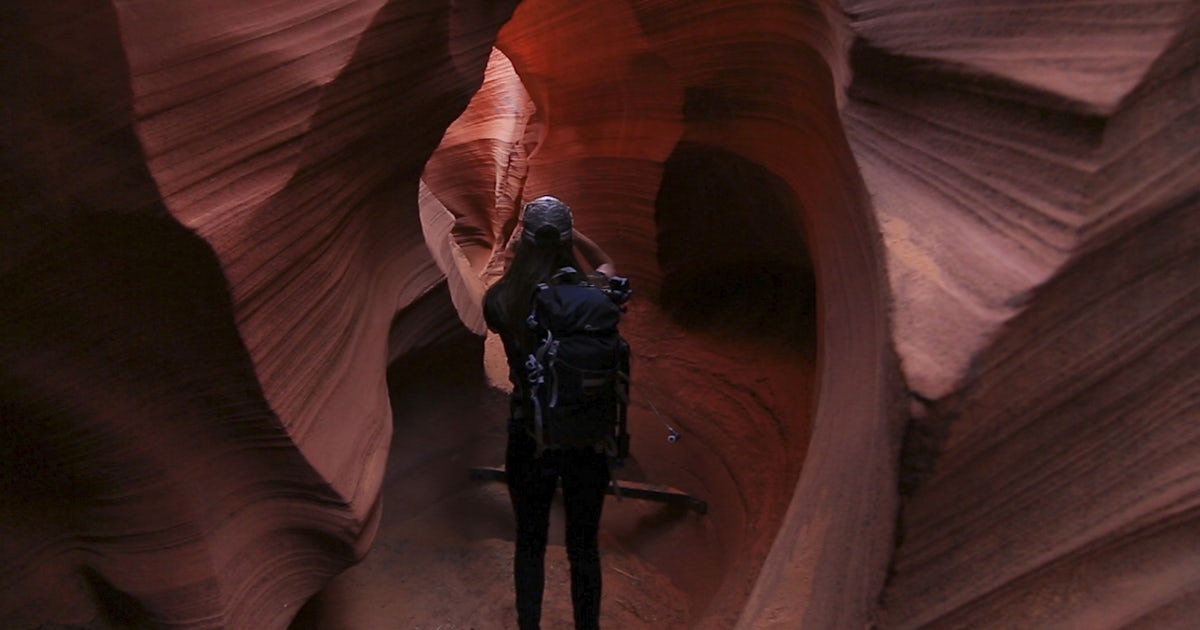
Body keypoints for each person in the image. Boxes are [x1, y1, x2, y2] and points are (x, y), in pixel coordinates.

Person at [483, 195, 617, 630]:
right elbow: (608, 264)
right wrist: (576, 237)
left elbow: (500, 287)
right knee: (584, 547)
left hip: (530, 435)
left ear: (525, 242)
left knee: (530, 543)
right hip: (587, 437)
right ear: (566, 240)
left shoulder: (505, 300)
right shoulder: (596, 296)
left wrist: (513, 249)